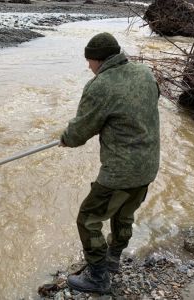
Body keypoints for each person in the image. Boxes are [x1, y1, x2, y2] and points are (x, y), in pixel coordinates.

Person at [60, 32, 160, 294]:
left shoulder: (100, 85)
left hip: (121, 171)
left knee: (88, 218)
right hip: (149, 165)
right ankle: (113, 259)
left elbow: (80, 131)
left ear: (99, 60)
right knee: (124, 213)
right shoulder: (145, 73)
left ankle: (98, 277)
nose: (88, 67)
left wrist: (66, 138)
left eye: (90, 61)